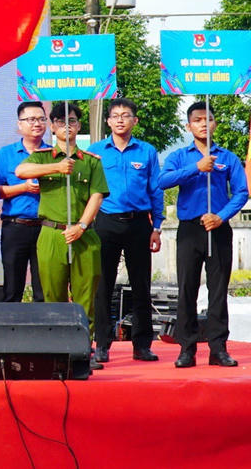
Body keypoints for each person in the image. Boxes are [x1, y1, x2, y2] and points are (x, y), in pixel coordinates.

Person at [15, 102, 108, 370]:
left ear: (79, 126)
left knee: (84, 296)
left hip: (83, 234)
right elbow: (21, 172)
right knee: (52, 295)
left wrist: (81, 225)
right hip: (51, 233)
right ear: (52, 127)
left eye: (73, 121)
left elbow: (97, 195)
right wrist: (56, 167)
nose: (67, 126)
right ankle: (55, 350)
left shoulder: (90, 161)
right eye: (61, 121)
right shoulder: (44, 156)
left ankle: (83, 350)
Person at [159, 101, 249, 368]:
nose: (202, 124)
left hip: (218, 228)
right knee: (186, 289)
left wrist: (221, 216)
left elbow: (242, 192)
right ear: (188, 126)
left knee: (218, 291)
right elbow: (162, 181)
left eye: (207, 119)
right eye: (197, 120)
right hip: (189, 230)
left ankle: (218, 347)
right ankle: (186, 348)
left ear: (214, 123)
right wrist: (196, 168)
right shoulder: (178, 156)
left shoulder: (228, 158)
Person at [92, 98, 164, 364]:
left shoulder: (146, 151)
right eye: (115, 115)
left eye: (126, 115)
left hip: (138, 225)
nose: (120, 119)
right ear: (108, 121)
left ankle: (142, 344)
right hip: (106, 223)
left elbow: (155, 191)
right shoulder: (96, 151)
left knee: (141, 285)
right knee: (103, 285)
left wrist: (157, 227)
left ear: (135, 120)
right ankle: (101, 344)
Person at [0, 101, 51, 302]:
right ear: (20, 125)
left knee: (43, 287)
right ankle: (11, 331)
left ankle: (44, 330)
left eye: (41, 119)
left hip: (47, 227)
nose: (37, 124)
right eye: (31, 119)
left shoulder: (54, 154)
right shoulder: (6, 154)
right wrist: (23, 188)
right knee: (12, 287)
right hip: (15, 226)